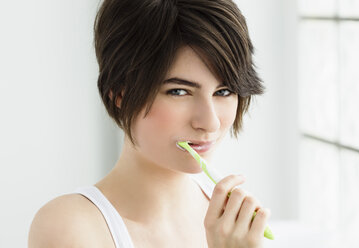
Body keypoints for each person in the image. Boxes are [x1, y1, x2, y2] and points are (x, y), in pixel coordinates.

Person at [28, 0, 271, 247]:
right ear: (120, 94)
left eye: (224, 91)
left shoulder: (232, 221)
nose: (210, 123)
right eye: (178, 91)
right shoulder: (71, 227)